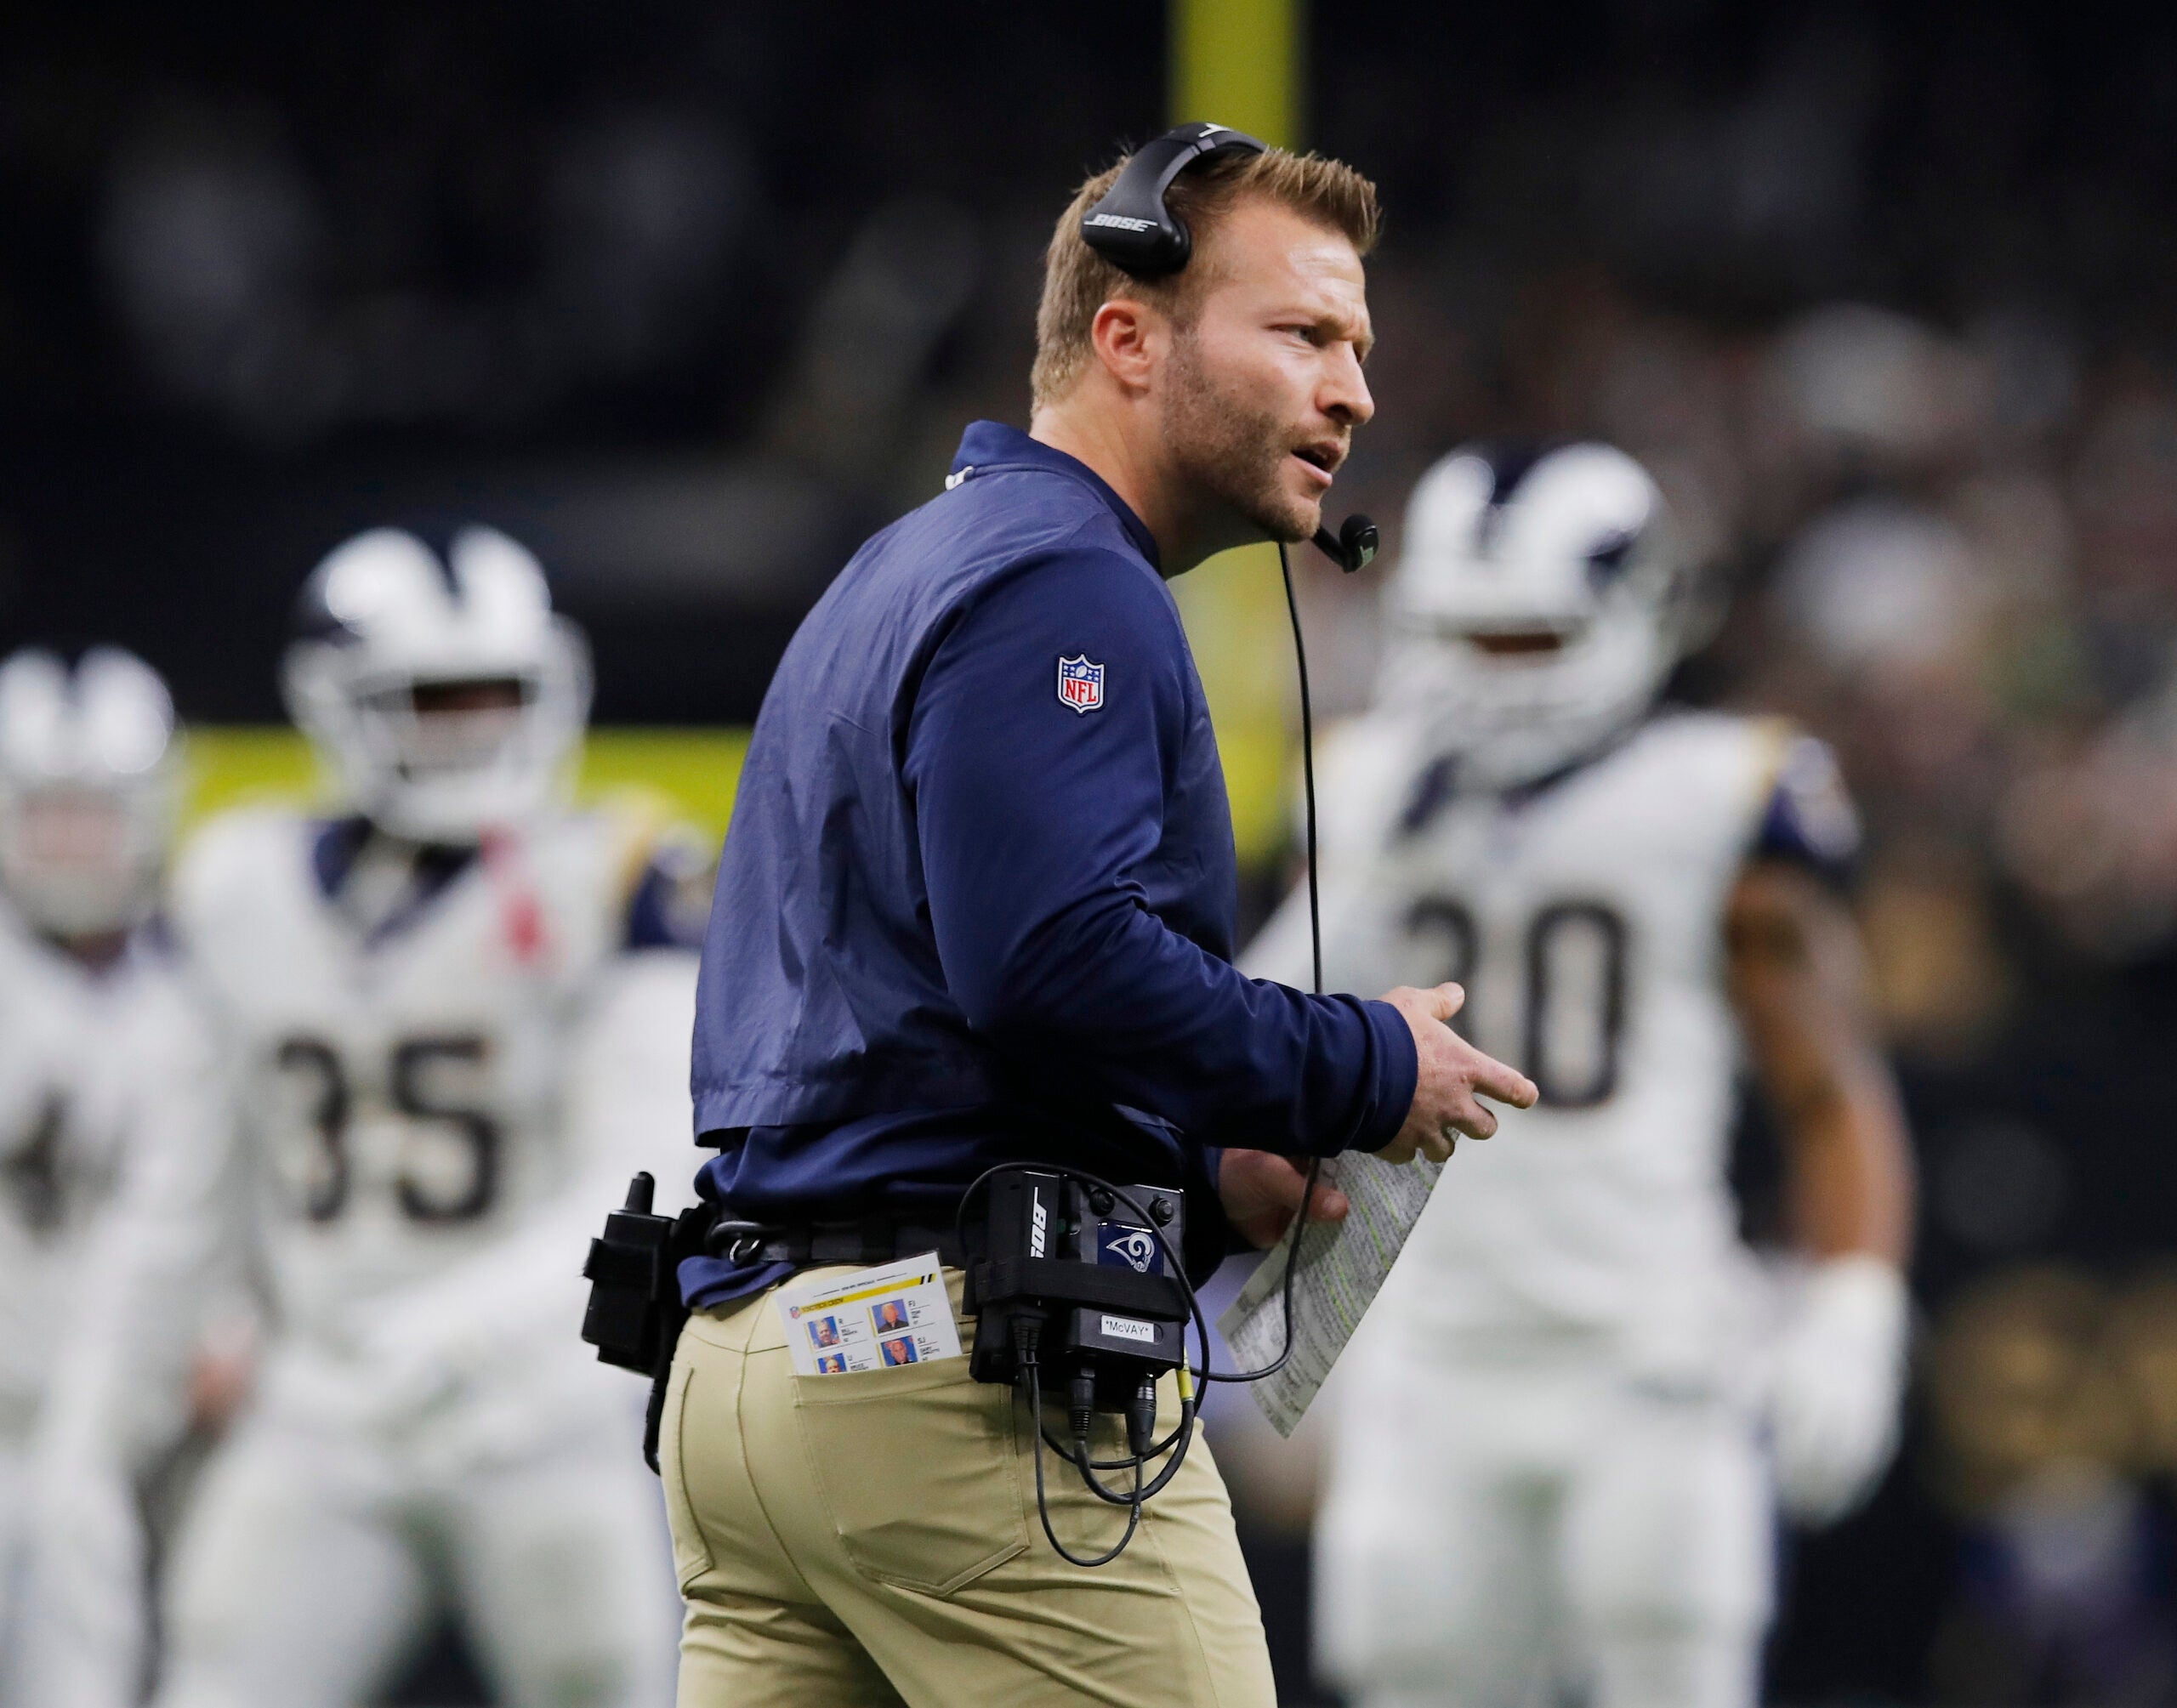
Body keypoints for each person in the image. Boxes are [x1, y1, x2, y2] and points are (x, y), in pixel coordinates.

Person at [665, 131, 1537, 1708]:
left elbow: (913, 1017)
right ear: (1128, 336)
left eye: (1358, 348)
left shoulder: (913, 562)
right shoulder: (1065, 580)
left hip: (751, 1370)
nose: (1354, 392)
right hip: (956, 1398)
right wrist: (1352, 1062)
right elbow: (1048, 961)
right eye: (1302, 334)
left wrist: (1200, 1160)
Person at [1245, 442, 1917, 1708]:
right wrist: (1294, 1329)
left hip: (1649, 1354)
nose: (1491, 677)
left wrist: (1854, 1305)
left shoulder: (1718, 791)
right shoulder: (1364, 782)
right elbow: (1262, 1051)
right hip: (1426, 1355)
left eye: (1530, 639)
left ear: (1641, 611)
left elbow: (1828, 1083)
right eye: (1465, 636)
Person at [34, 527, 708, 1707]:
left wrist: (464, 1326)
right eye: (434, 699)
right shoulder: (237, 884)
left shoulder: (617, 869)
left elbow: (654, 1165)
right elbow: (184, 1201)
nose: (474, 727)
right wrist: (102, 1416)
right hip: (325, 1403)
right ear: (334, 703)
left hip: (539, 1408)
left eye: (498, 693)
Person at [0, 648, 213, 1700]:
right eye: (49, 810)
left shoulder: (201, 984)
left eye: (97, 810)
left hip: (147, 1399)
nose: (74, 841)